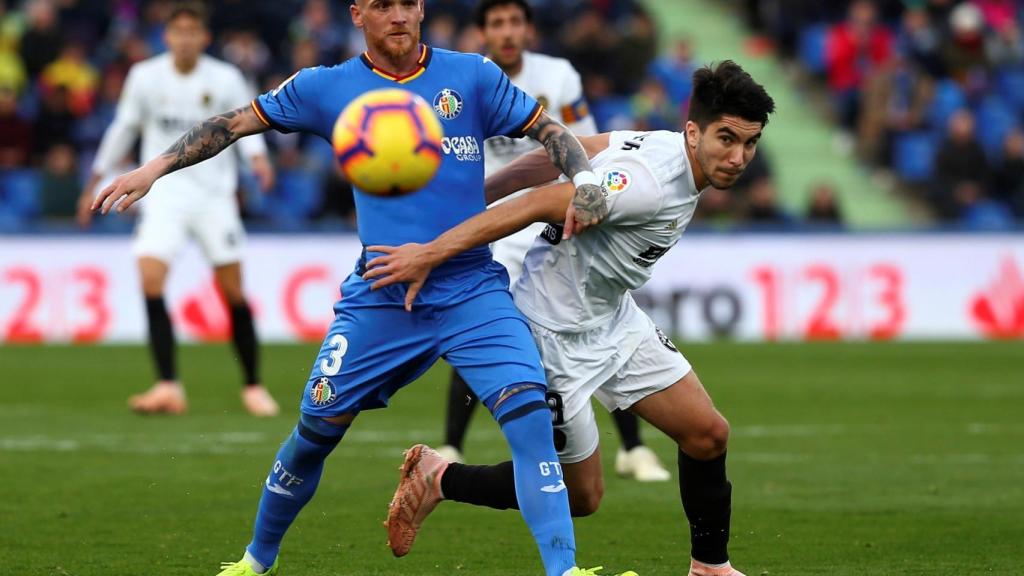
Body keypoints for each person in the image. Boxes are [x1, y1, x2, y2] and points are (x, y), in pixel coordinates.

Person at [91, 1, 629, 575]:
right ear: (357, 14)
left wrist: (586, 178)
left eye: (406, 3)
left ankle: (564, 571)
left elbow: (549, 129)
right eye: (381, 5)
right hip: (382, 295)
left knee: (529, 419)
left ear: (421, 9)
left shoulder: (471, 75)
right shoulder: (327, 87)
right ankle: (255, 561)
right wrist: (153, 168)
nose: (396, 15)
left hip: (472, 287)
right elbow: (233, 124)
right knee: (314, 433)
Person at [370, 60, 775, 576]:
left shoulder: (655, 143)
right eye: (727, 139)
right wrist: (433, 248)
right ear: (693, 131)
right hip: (552, 335)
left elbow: (563, 155)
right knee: (583, 497)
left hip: (613, 320)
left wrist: (479, 192)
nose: (739, 157)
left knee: (707, 434)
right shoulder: (646, 184)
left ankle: (709, 567)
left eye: (750, 143)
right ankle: (439, 478)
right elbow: (541, 200)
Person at [436, 0, 671, 484]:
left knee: (597, 328)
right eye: (497, 23)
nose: (507, 32)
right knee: (485, 330)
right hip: (496, 226)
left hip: (555, 222)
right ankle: (452, 444)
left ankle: (633, 449)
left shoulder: (558, 75)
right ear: (482, 33)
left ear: (528, 29)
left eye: (515, 22)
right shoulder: (462, 82)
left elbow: (585, 146)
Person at [77, 3, 279, 417]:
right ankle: (168, 385)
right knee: (150, 279)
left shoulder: (224, 77)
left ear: (204, 37)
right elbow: (124, 128)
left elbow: (244, 123)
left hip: (213, 197)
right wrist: (97, 175)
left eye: (192, 32)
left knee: (233, 292)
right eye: (177, 32)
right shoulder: (145, 76)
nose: (185, 38)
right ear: (166, 37)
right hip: (163, 196)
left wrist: (257, 159)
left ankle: (253, 385)